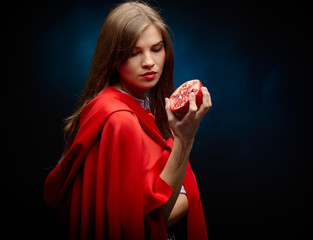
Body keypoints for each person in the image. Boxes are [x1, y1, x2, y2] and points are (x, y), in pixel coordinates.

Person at [43, 1, 211, 239]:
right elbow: (149, 221)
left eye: (157, 48)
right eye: (135, 53)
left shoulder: (119, 105)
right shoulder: (120, 120)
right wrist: (184, 142)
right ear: (113, 57)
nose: (149, 62)